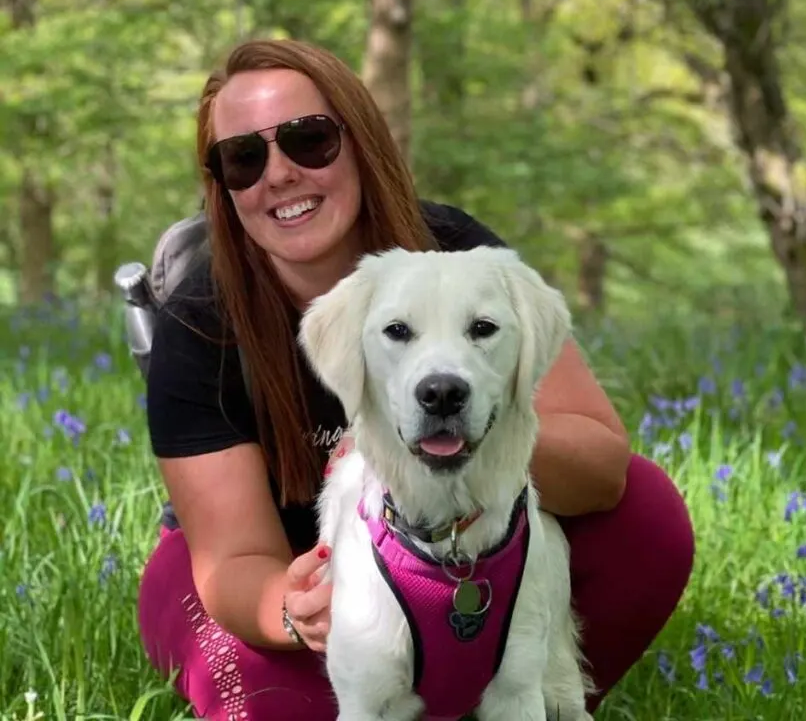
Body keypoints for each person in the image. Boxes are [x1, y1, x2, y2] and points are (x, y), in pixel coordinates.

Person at [136, 37, 695, 721]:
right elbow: (233, 560)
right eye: (244, 158)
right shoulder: (200, 322)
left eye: (308, 140)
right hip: (272, 577)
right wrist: (294, 607)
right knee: (291, 706)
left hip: (463, 547)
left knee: (647, 518)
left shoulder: (456, 257)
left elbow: (601, 465)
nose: (278, 174)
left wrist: (467, 428)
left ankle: (503, 692)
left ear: (361, 141)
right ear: (223, 186)